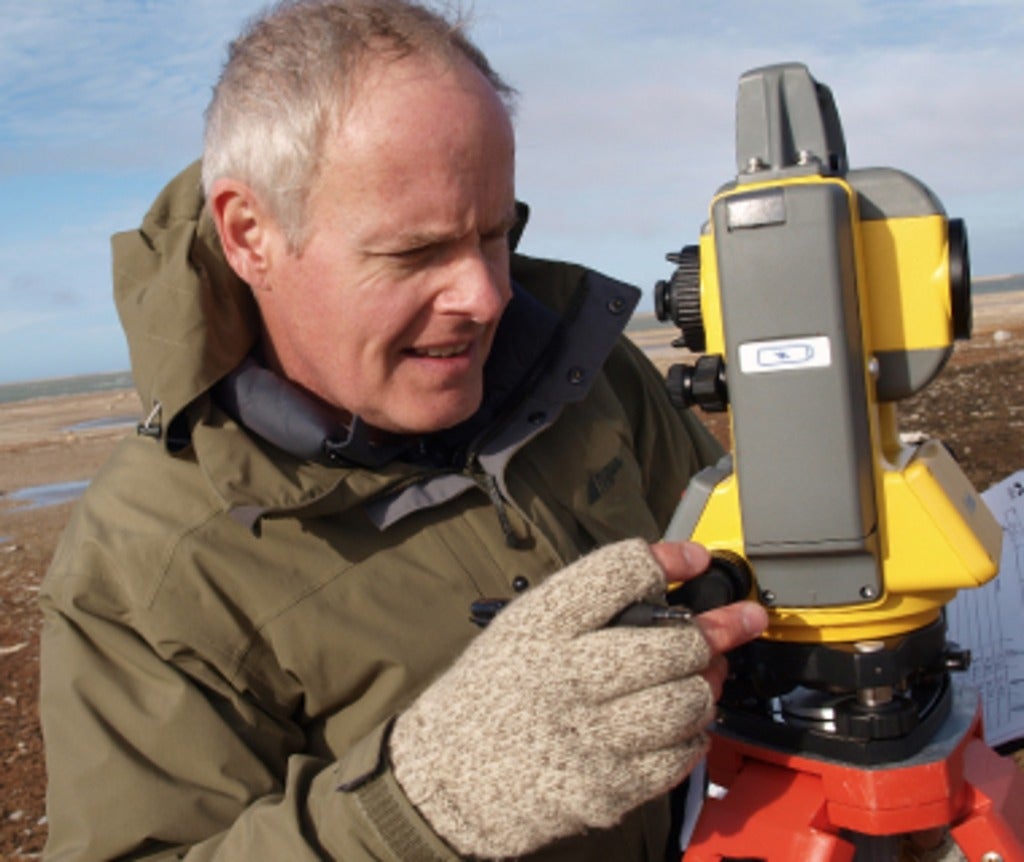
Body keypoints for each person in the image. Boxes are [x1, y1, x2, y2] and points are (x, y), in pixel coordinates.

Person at [38, 1, 768, 859]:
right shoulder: (143, 563)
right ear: (251, 236)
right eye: (415, 254)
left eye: (495, 234)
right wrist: (420, 805)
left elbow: (753, 580)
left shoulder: (588, 372)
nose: (486, 297)